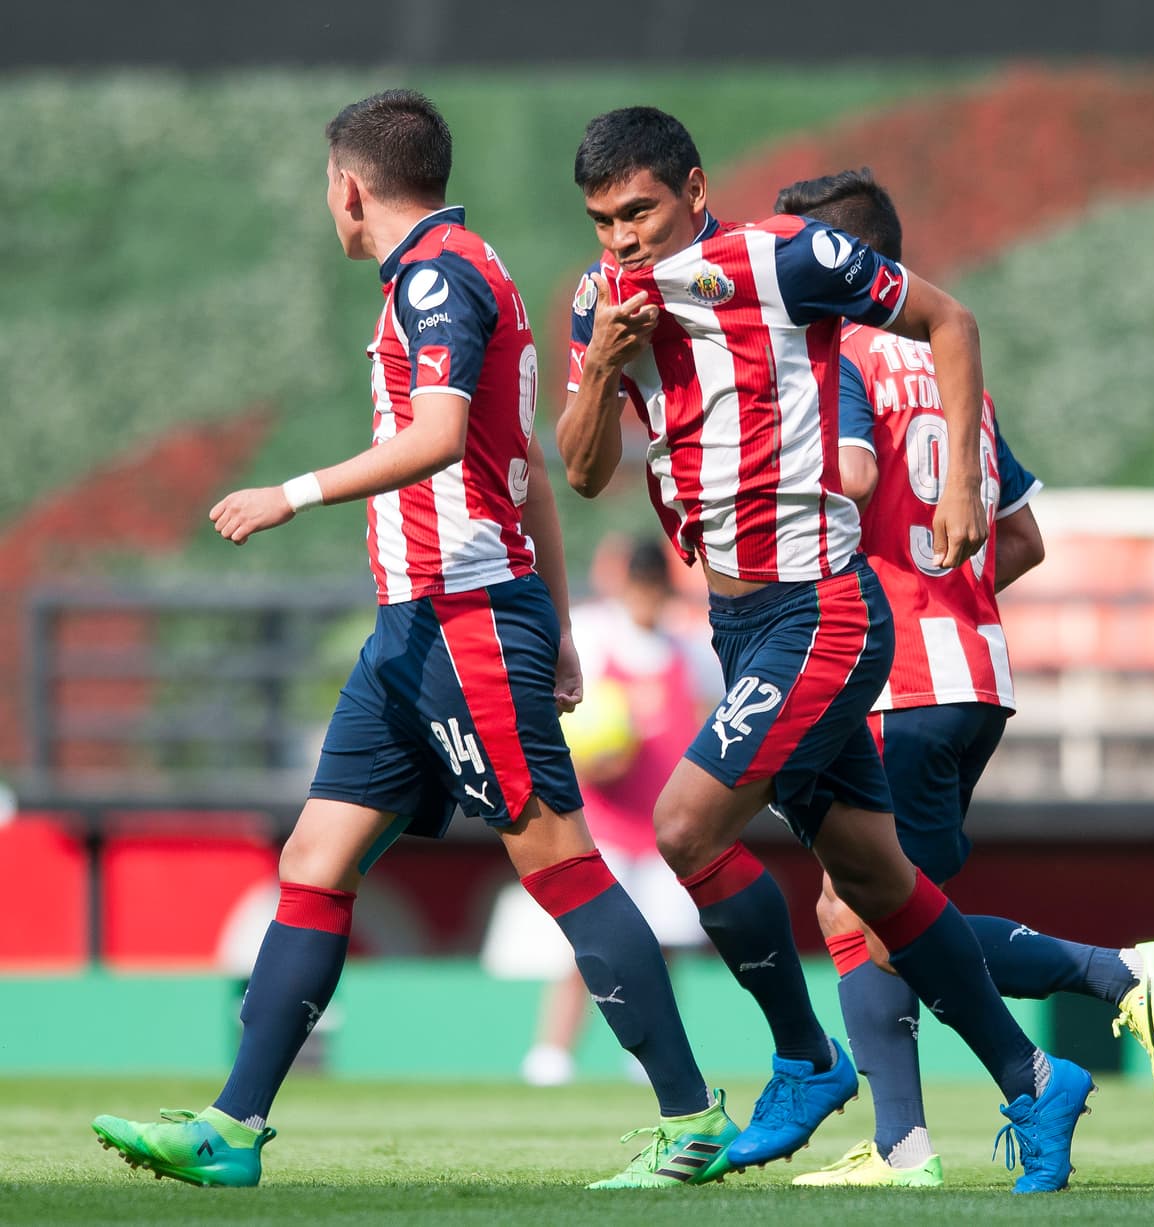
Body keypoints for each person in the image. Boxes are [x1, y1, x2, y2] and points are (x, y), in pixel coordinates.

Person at [91, 89, 741, 1191]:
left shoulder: (440, 276)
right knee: (314, 860)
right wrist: (572, 630)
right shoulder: (452, 270)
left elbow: (442, 440)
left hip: (467, 617)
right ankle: (234, 1129)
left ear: (348, 188)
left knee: (557, 861)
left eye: (327, 190)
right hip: (414, 628)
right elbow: (525, 463)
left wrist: (290, 493)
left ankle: (691, 1117)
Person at [556, 106, 1094, 1195]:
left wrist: (953, 492)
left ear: (695, 191)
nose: (621, 239)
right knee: (876, 883)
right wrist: (603, 368)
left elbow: (947, 320)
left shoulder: (788, 259)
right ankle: (1035, 1079)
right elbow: (577, 470)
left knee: (681, 825)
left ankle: (803, 1060)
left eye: (640, 212)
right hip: (739, 621)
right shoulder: (594, 302)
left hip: (822, 612)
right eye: (603, 220)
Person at [767, 170, 1154, 1190]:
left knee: (865, 913)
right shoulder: (947, 374)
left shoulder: (839, 360)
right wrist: (941, 590)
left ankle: (918, 1133)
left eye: (788, 256)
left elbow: (856, 485)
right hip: (972, 676)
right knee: (884, 911)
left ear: (836, 264)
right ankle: (916, 1131)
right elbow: (1020, 538)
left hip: (893, 680)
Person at [482, 536, 713, 1087]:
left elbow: (705, 721)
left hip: (663, 828)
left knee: (665, 946)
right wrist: (591, 755)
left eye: (655, 588)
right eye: (639, 586)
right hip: (601, 823)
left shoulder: (690, 647)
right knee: (588, 943)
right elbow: (555, 709)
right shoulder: (592, 633)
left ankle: (649, 1055)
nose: (646, 599)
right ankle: (553, 1054)